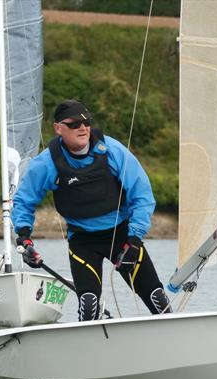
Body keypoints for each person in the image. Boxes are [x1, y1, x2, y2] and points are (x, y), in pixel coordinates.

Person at [11, 99, 171, 321]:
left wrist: (134, 240)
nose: (83, 127)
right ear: (59, 128)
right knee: (89, 304)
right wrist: (24, 238)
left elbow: (142, 195)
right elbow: (23, 201)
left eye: (87, 122)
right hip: (82, 241)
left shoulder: (112, 151)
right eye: (75, 124)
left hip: (122, 236)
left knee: (156, 298)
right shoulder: (47, 162)